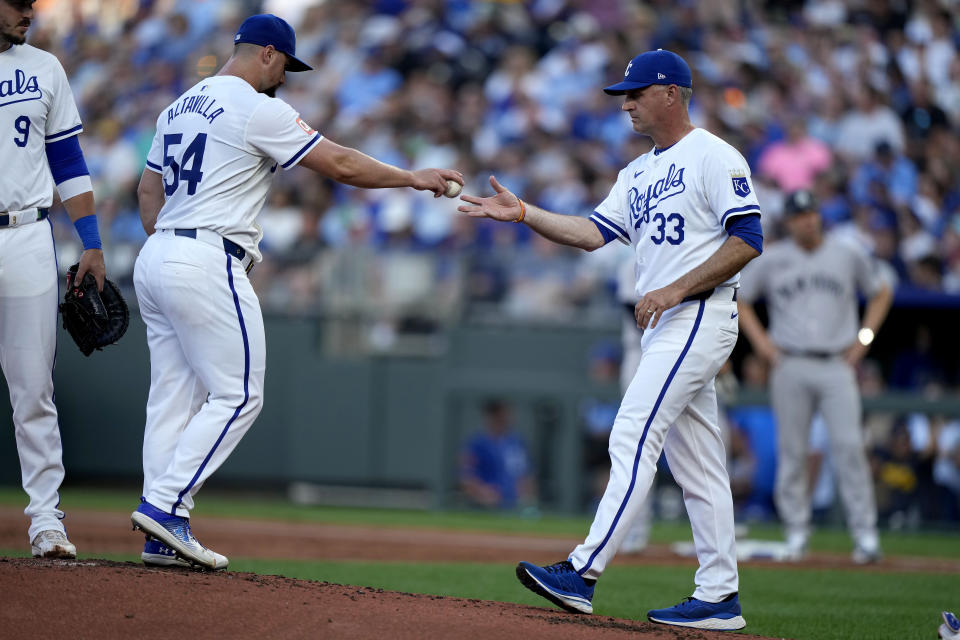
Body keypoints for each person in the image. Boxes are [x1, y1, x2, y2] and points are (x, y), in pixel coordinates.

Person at [131, 13, 463, 570]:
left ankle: (159, 531)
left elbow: (146, 188)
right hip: (207, 255)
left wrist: (168, 246)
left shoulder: (179, 104)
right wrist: (412, 177)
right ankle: (165, 508)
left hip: (158, 249)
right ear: (266, 53)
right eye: (285, 63)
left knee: (172, 397)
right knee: (238, 394)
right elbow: (340, 164)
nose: (285, 76)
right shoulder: (255, 106)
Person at [459, 49, 762, 631]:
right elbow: (593, 233)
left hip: (698, 314)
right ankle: (720, 596)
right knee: (699, 467)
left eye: (636, 92)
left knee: (632, 433)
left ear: (671, 92)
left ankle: (583, 570)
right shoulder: (638, 171)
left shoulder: (714, 155)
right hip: (668, 323)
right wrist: (525, 212)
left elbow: (748, 238)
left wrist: (675, 290)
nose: (625, 102)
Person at [0, 0, 106, 559]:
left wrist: (90, 240)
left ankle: (46, 520)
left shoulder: (43, 67)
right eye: (16, 3)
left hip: (25, 233)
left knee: (33, 386)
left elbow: (67, 159)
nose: (28, 11)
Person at [737, 189, 893, 563]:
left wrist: (864, 340)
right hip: (789, 362)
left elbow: (882, 291)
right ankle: (796, 532)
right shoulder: (773, 259)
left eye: (811, 213)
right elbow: (739, 297)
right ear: (789, 221)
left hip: (837, 361)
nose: (806, 220)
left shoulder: (847, 251)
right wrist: (762, 345)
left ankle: (865, 535)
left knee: (849, 446)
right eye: (799, 215)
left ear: (818, 215)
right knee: (792, 450)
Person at [459, 399, 535, 510]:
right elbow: (467, 475)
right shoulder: (477, 443)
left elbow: (525, 473)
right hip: (486, 505)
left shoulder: (516, 442)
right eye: (503, 414)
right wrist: (482, 492)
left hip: (514, 504)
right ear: (493, 416)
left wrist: (528, 496)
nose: (507, 418)